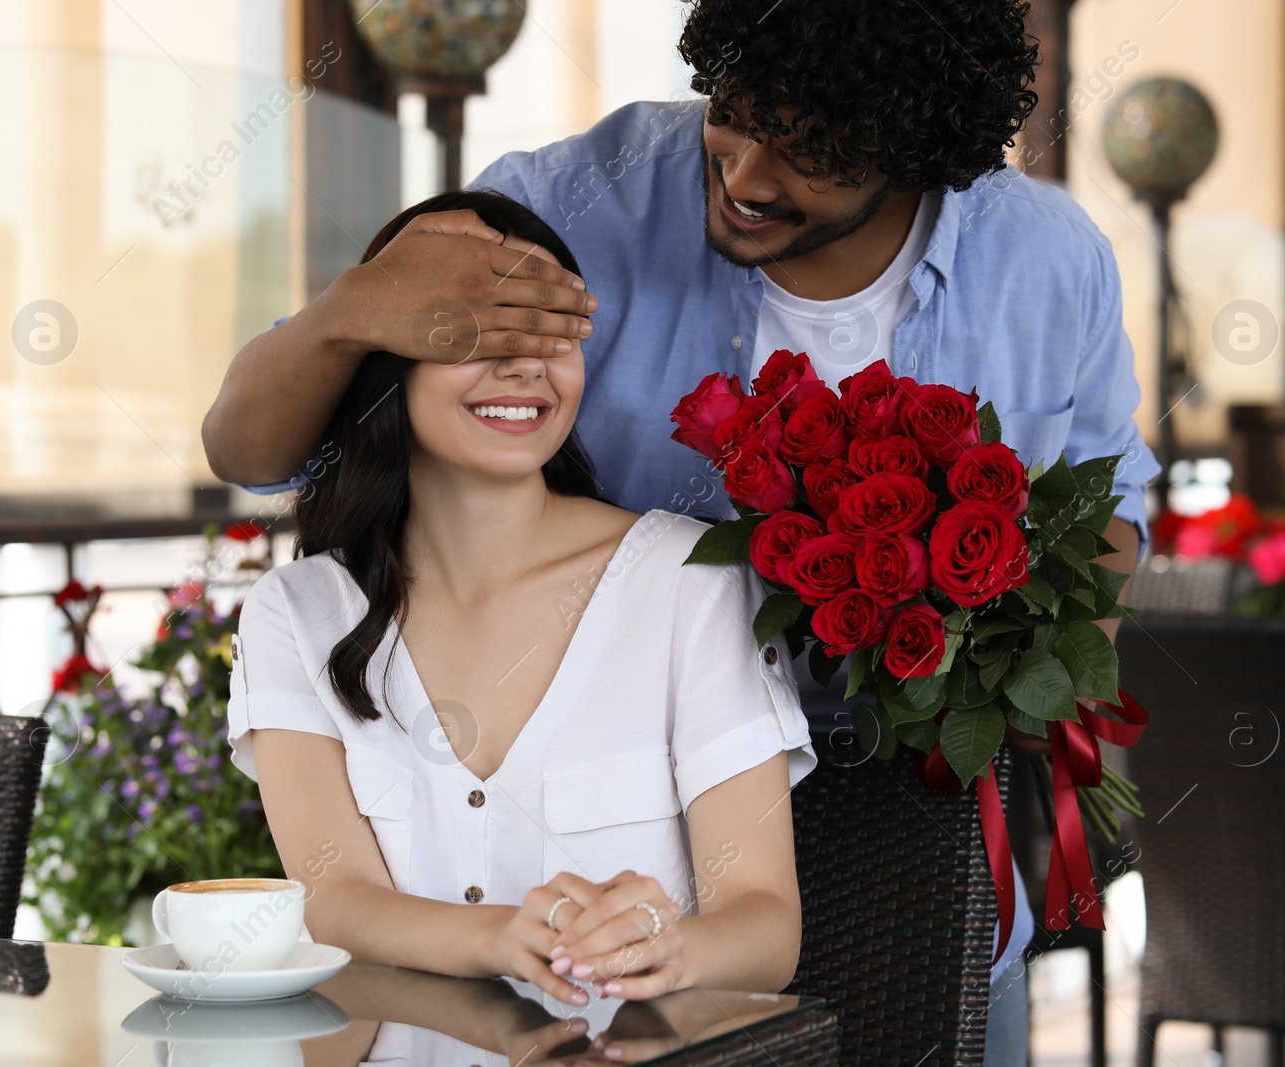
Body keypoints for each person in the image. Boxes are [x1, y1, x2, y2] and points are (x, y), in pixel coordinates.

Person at [206, 2, 1160, 1058]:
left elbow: (1104, 499)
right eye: (736, 114)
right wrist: (349, 313)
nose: (747, 175)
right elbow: (262, 448)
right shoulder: (575, 202)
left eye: (811, 154)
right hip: (643, 826)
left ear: (915, 151)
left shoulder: (1044, 262)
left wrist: (1054, 673)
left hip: (920, 831)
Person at [225, 190, 818, 1014]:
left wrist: (669, 945)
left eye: (551, 335)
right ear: (384, 360)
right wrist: (499, 937)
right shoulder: (295, 613)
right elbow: (331, 897)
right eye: (477, 333)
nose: (523, 366)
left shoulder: (690, 579)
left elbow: (765, 926)